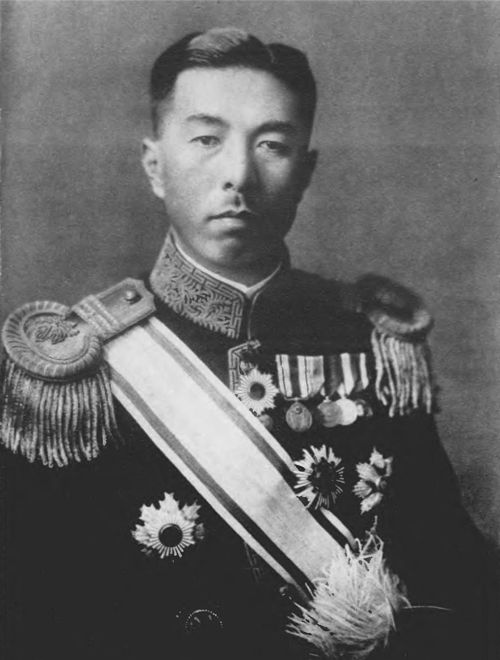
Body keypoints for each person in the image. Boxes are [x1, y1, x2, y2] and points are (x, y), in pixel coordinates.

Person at [0, 27, 494, 660]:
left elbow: (450, 572)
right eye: (207, 139)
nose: (239, 175)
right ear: (154, 165)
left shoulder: (373, 343)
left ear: (306, 172)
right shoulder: (73, 375)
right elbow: (37, 613)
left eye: (273, 145)